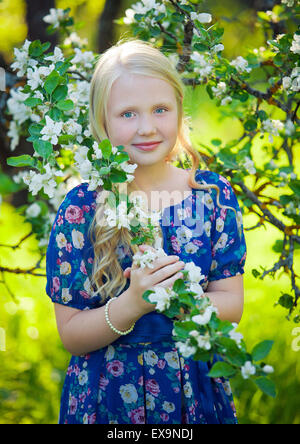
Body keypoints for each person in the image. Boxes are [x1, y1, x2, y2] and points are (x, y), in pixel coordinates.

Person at [46, 38, 247, 424]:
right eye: (127, 114)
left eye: (160, 109)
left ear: (179, 111)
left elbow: (231, 305)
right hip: (108, 397)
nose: (147, 128)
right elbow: (71, 333)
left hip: (193, 389)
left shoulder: (211, 195)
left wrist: (181, 300)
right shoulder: (82, 209)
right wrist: (133, 304)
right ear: (101, 121)